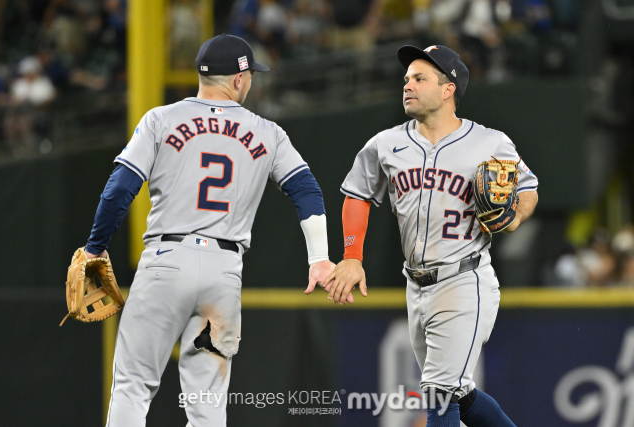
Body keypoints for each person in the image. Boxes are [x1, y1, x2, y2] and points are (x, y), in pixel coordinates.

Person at [83, 34, 335, 426]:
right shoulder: (268, 132)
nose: (250, 81)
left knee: (133, 384)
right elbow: (306, 190)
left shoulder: (161, 119)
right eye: (249, 74)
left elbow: (120, 189)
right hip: (223, 272)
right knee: (206, 404)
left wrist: (95, 247)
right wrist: (319, 258)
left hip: (167, 262)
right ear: (237, 79)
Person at [323, 45, 538, 426]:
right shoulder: (386, 144)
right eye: (406, 79)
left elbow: (527, 190)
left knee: (438, 394)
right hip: (416, 285)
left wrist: (515, 216)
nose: (407, 85)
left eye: (419, 78)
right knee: (461, 395)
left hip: (463, 278)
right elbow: (357, 195)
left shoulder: (489, 142)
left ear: (448, 88)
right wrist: (352, 256)